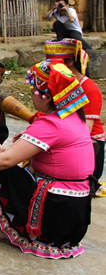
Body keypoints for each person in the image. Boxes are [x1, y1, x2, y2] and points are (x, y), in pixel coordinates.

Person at [0, 59, 93, 259]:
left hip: (58, 216)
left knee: (1, 168)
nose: (30, 96)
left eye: (33, 91)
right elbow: (27, 155)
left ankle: (16, 230)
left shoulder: (50, 125)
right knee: (7, 163)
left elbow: (6, 161)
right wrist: (2, 149)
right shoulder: (74, 118)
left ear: (46, 97)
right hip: (75, 219)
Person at [44, 39, 104, 196]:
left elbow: (85, 131)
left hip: (87, 146)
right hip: (66, 139)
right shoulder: (57, 85)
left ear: (69, 62)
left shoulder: (89, 88)